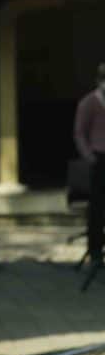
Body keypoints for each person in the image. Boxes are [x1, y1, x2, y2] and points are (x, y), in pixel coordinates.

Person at [73, 63, 105, 268]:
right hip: (99, 157)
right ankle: (95, 252)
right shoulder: (89, 102)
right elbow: (79, 133)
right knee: (97, 209)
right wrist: (89, 156)